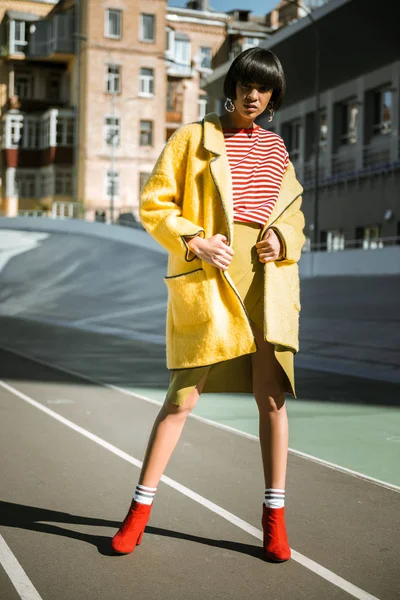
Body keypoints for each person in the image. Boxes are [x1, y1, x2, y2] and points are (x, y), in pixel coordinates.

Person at [111, 47, 305, 563]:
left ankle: (274, 520)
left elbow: (295, 216)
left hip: (267, 284)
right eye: (246, 83)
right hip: (211, 280)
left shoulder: (278, 150)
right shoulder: (193, 138)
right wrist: (194, 240)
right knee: (181, 400)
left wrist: (282, 240)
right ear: (232, 85)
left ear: (273, 95)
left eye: (264, 88)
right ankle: (137, 512)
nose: (253, 94)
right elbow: (154, 203)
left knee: (272, 400)